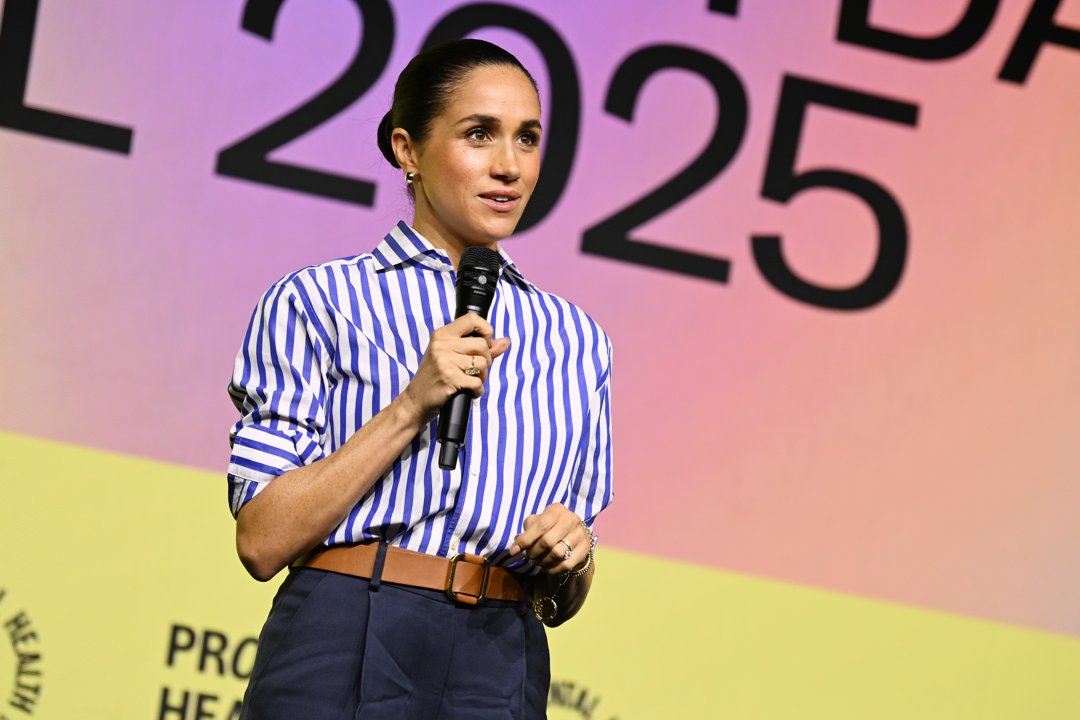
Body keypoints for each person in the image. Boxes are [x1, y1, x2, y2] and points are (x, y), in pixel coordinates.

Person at [226, 39, 613, 719]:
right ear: (408, 150)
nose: (509, 166)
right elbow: (261, 539)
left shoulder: (577, 341)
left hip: (501, 659)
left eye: (527, 138)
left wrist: (572, 559)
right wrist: (411, 404)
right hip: (346, 630)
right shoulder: (319, 300)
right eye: (478, 135)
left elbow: (564, 599)